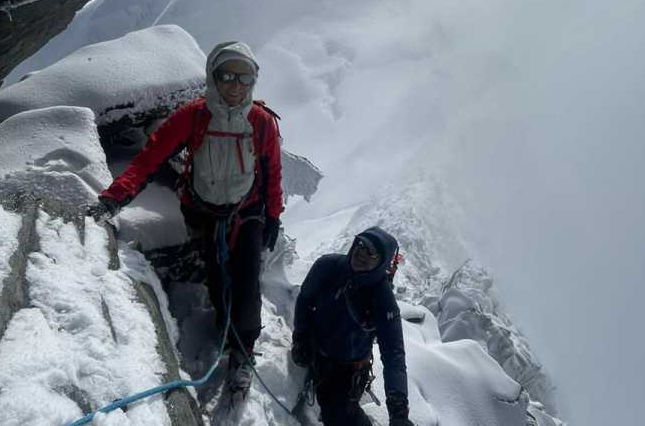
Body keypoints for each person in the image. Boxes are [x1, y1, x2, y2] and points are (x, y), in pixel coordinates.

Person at [88, 40, 283, 396]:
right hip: (204, 212)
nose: (235, 85)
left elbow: (272, 173)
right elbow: (150, 158)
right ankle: (225, 324)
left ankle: (243, 351)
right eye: (227, 75)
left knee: (247, 282)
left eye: (244, 77)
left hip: (246, 213)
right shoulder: (193, 117)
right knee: (216, 273)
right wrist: (115, 198)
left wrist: (272, 216)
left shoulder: (261, 122)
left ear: (253, 81)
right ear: (213, 76)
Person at [292, 227, 415, 426]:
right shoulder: (328, 267)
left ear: (382, 262)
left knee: (339, 415)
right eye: (360, 245)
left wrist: (398, 410)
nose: (361, 253)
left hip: (347, 371)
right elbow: (305, 299)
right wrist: (300, 337)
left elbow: (394, 354)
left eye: (371, 253)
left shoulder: (383, 298)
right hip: (315, 350)